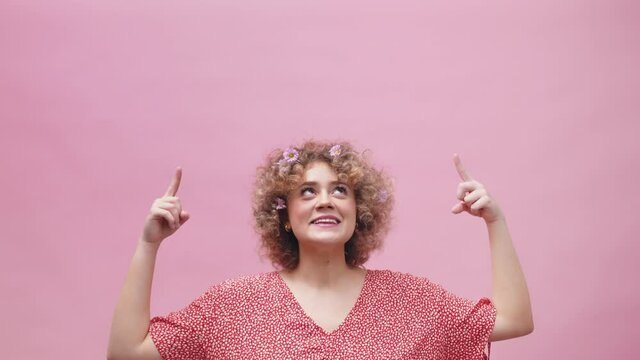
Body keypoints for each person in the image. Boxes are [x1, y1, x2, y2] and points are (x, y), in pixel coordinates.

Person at [107, 140, 533, 360]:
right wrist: (148, 245)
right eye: (307, 191)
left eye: (339, 190)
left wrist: (495, 222)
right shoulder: (231, 306)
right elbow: (127, 355)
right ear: (285, 215)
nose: (325, 200)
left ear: (358, 211)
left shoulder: (413, 300)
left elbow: (514, 319)